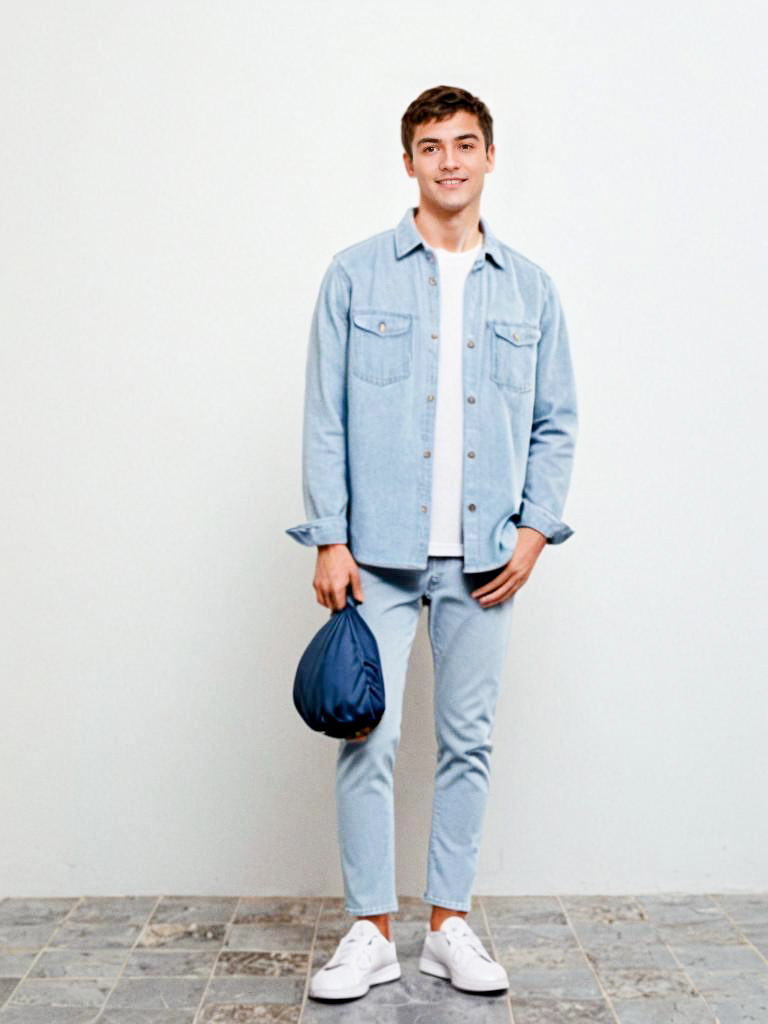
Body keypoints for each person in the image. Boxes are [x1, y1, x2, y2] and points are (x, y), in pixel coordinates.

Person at [285, 84, 578, 1001]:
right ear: (407, 162)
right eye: (429, 146)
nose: (448, 160)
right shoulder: (355, 274)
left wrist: (535, 529)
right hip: (375, 554)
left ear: (490, 157)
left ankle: (448, 924)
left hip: (488, 557)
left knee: (468, 742)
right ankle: (369, 931)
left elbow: (556, 422)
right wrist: (329, 539)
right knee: (366, 737)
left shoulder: (530, 288)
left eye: (464, 144)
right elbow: (323, 418)